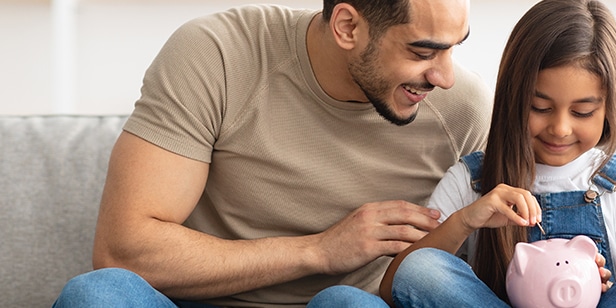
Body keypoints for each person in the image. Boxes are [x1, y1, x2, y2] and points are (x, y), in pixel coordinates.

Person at [53, 0, 492, 307]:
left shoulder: (465, 110)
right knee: (97, 294)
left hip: (347, 304)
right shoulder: (217, 54)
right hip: (192, 303)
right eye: (422, 51)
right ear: (348, 27)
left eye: (455, 46)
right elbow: (123, 251)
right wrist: (319, 251)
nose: (446, 76)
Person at [369, 0, 616, 306]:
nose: (560, 128)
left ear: (609, 109)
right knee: (418, 268)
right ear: (513, 98)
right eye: (540, 107)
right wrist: (465, 220)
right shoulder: (472, 181)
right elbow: (398, 285)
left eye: (582, 113)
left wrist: (606, 283)